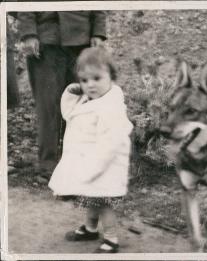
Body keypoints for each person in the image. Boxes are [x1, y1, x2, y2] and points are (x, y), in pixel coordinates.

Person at [48, 47, 133, 253]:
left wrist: (95, 167)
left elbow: (111, 142)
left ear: (111, 77)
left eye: (97, 78)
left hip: (104, 165)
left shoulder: (110, 107)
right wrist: (71, 93)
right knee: (90, 197)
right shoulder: (88, 100)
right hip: (89, 163)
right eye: (85, 80)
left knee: (103, 201)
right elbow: (69, 114)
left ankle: (111, 239)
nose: (90, 84)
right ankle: (90, 228)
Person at [18, 11, 107, 176]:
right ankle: (48, 164)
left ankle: (76, 162)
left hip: (81, 39)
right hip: (46, 40)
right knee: (48, 105)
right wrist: (29, 33)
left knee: (79, 104)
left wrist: (98, 32)